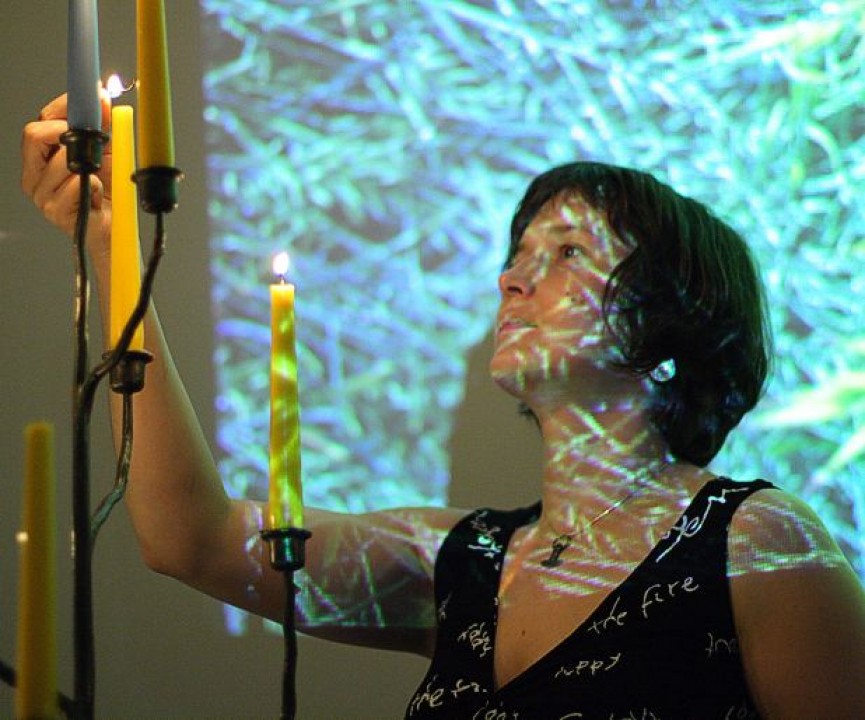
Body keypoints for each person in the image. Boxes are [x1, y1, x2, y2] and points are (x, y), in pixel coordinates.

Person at [21, 93, 865, 719]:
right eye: (517, 253)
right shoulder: (457, 561)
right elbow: (192, 537)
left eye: (568, 251)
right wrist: (111, 247)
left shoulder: (755, 545)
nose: (511, 278)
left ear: (670, 319)